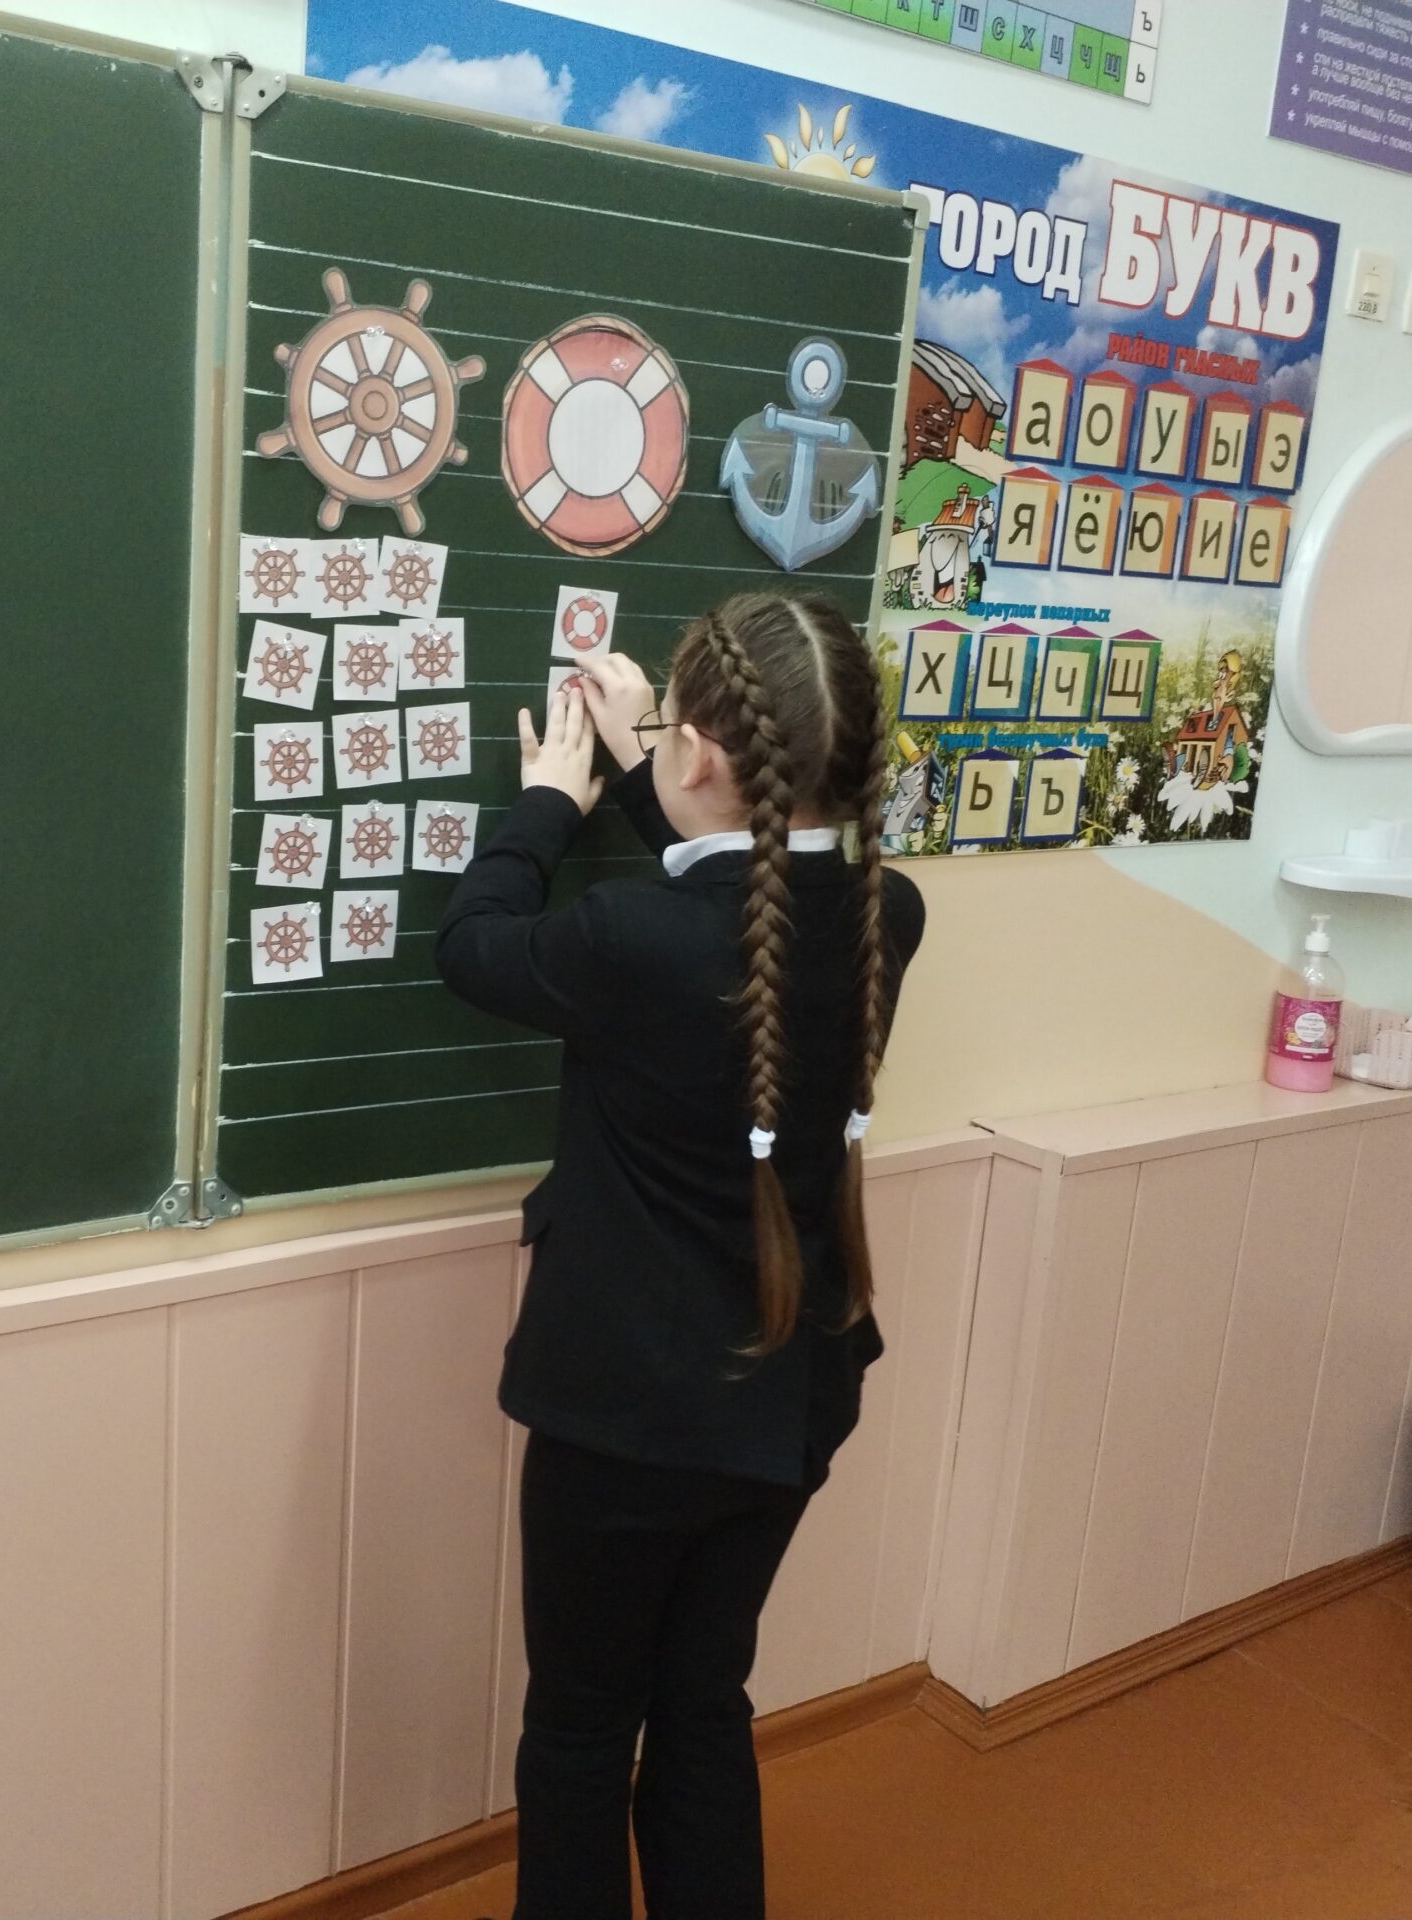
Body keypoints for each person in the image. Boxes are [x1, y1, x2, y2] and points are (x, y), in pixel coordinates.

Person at [434, 592, 927, 1919]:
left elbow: (473, 947)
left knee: (582, 1726)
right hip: (791, 1395)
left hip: (627, 1419)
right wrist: (658, 766)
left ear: (700, 753)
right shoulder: (889, 914)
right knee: (703, 1703)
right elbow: (743, 915)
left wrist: (551, 800)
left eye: (676, 740)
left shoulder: (623, 940)